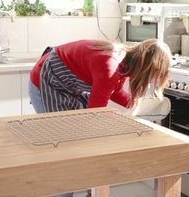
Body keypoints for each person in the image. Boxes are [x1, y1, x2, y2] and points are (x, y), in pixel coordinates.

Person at [29, 39, 171, 197]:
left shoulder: (124, 62)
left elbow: (113, 90)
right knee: (65, 149)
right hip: (47, 81)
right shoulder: (110, 65)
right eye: (154, 75)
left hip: (70, 86)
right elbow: (94, 115)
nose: (153, 80)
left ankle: (93, 193)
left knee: (81, 146)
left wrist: (134, 107)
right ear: (145, 67)